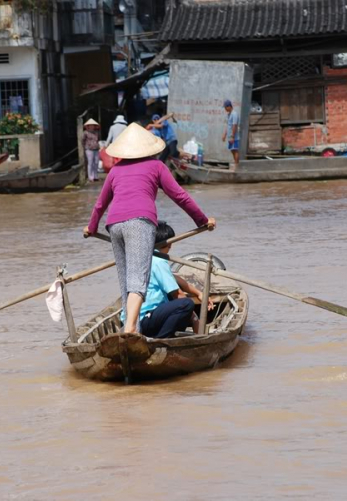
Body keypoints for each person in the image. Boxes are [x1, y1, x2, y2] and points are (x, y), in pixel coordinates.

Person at [83, 123, 216, 334]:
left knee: (126, 278)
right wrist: (202, 220)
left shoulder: (115, 171)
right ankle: (130, 330)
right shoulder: (156, 166)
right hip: (140, 222)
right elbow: (180, 196)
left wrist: (91, 227)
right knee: (139, 279)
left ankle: (130, 326)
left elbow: (100, 204)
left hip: (114, 225)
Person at [139, 221, 215, 339]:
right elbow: (177, 294)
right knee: (186, 304)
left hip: (132, 321)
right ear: (169, 244)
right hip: (144, 321)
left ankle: (166, 336)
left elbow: (173, 277)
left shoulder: (146, 258)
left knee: (178, 304)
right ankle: (161, 340)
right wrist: (195, 320)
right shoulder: (158, 262)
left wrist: (198, 293)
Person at [221, 100, 240, 168]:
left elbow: (234, 125)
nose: (225, 109)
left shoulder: (234, 114)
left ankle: (237, 165)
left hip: (234, 137)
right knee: (232, 150)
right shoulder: (229, 114)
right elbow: (228, 125)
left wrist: (232, 136)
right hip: (230, 136)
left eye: (226, 107)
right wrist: (225, 135)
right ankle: (236, 164)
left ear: (229, 106)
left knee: (235, 150)